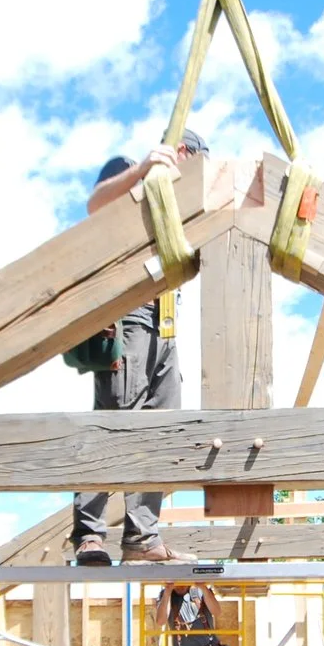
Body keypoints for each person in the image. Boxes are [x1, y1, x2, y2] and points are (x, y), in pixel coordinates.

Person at [68, 132, 203, 565]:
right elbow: (95, 206)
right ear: (182, 150)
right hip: (130, 312)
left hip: (165, 319)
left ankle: (142, 538)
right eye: (193, 158)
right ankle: (89, 535)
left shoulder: (183, 201)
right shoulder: (131, 168)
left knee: (163, 427)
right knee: (115, 419)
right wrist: (144, 169)